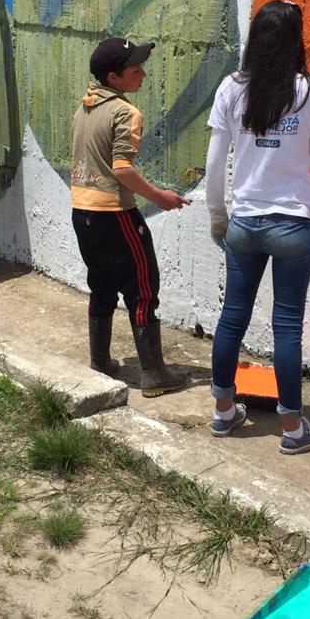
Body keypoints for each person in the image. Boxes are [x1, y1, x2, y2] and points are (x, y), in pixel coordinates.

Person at [204, 0, 310, 454]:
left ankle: (224, 412)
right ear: (296, 40)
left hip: (244, 222)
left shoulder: (232, 89)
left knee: (232, 317)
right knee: (288, 326)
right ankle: (294, 430)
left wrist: (219, 217)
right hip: (294, 225)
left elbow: (215, 163)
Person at [70, 36, 190, 397]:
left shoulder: (86, 106)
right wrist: (159, 197)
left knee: (102, 283)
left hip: (82, 211)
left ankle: (101, 361)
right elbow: (122, 169)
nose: (144, 75)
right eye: (135, 70)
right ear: (113, 77)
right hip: (115, 214)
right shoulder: (126, 113)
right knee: (142, 289)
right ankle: (153, 375)